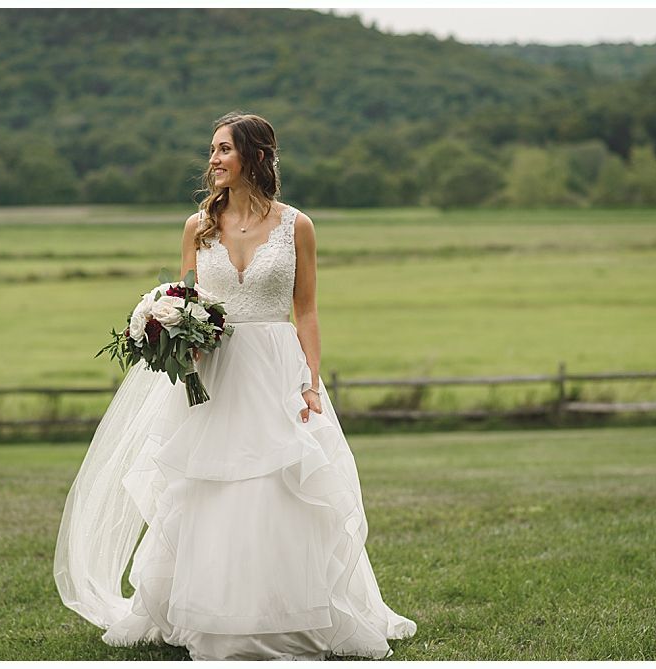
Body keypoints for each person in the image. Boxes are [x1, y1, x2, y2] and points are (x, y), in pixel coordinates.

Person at [53, 111, 416, 660]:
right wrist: (171, 327)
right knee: (208, 489)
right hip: (214, 375)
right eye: (213, 150)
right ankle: (203, 610)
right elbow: (187, 296)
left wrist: (312, 383)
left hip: (274, 369)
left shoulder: (298, 226)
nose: (214, 160)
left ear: (256, 155)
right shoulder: (198, 225)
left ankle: (287, 613)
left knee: (277, 486)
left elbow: (307, 310)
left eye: (224, 149)